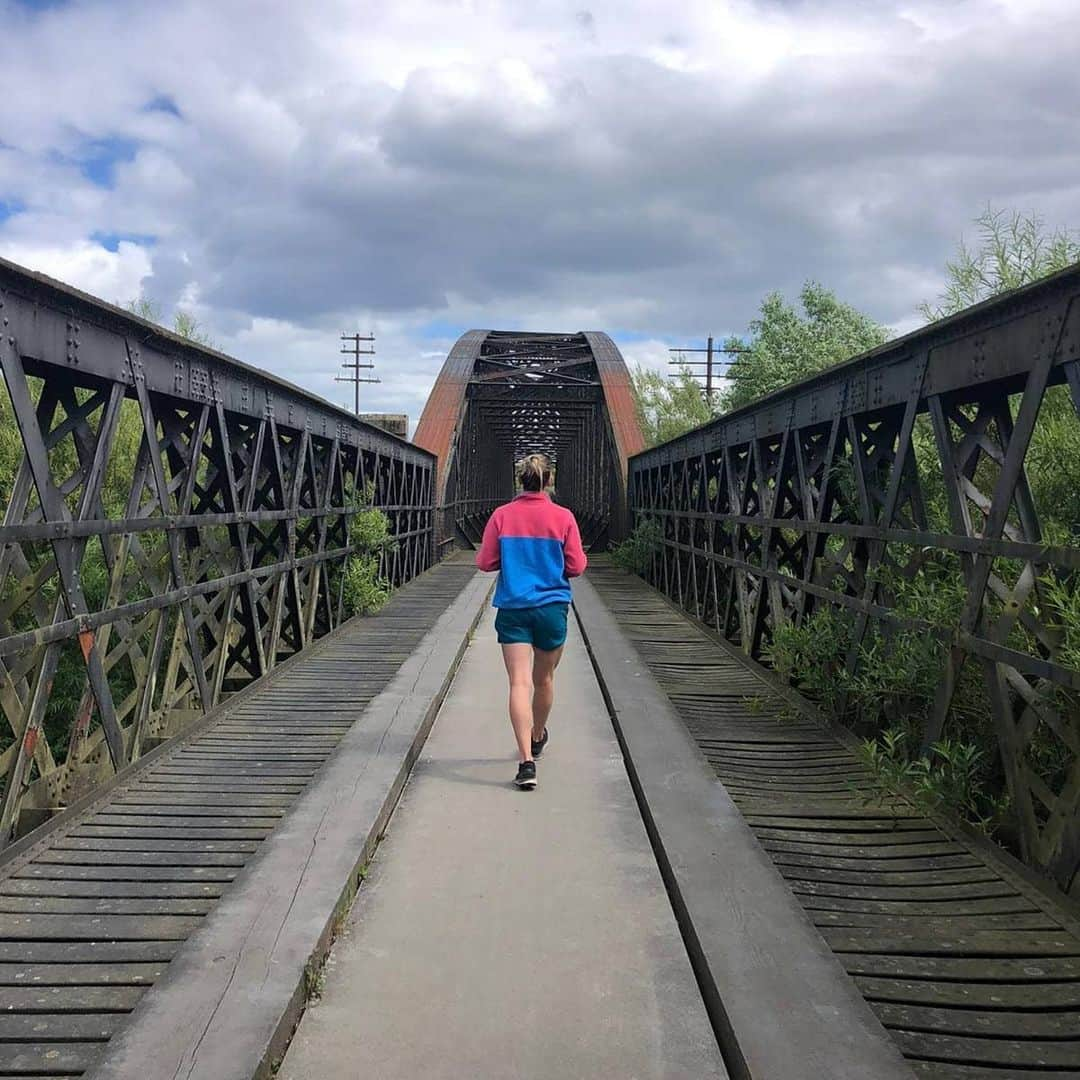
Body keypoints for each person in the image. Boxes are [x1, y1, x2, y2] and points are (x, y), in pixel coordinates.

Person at [475, 453, 587, 789]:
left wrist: (513, 560)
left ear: (519, 480)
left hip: (514, 607)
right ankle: (538, 735)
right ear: (549, 481)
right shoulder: (563, 517)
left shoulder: (502, 516)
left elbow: (485, 562)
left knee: (518, 684)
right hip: (552, 608)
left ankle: (526, 763)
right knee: (545, 680)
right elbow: (577, 567)